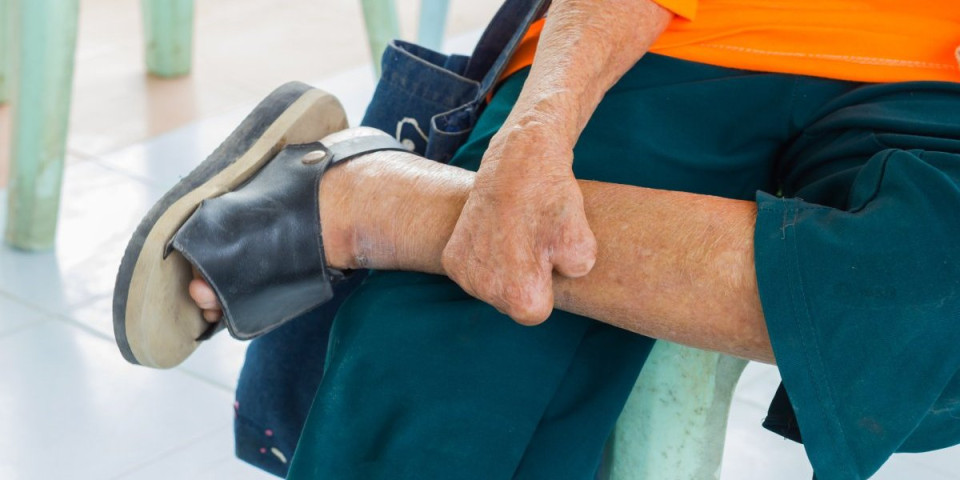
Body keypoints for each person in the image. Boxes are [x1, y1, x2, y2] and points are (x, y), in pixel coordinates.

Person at [116, 0, 960, 478]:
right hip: (677, 32)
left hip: (939, 85)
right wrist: (541, 125)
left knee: (938, 307)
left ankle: (378, 205)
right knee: (450, 386)